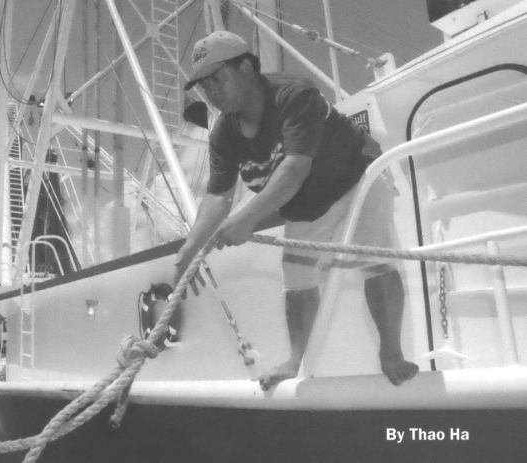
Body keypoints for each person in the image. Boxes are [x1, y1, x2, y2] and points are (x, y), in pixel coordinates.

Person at [174, 30, 418, 390]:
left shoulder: (294, 94)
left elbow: (294, 168)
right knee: (297, 282)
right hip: (306, 202)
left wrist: (247, 219)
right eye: (204, 85)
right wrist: (190, 247)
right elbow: (218, 197)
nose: (210, 92)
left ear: (246, 68)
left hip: (357, 176)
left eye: (217, 79)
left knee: (376, 263)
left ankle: (391, 354)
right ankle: (294, 360)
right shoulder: (224, 134)